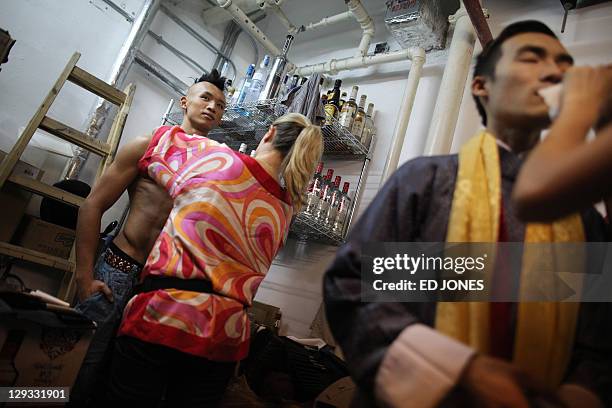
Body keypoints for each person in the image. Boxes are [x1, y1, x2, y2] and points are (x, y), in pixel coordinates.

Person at [323, 20, 612, 408]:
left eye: (565, 63)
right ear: (482, 86)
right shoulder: (428, 183)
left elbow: (596, 341)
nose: (557, 71)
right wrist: (462, 370)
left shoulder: (584, 221)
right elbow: (355, 287)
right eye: (532, 57)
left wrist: (578, 393)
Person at [101, 90, 323, 405]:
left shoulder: (218, 159)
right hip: (226, 336)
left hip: (167, 314)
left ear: (270, 133)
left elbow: (160, 143)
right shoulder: (286, 211)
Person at [70, 70, 225, 406]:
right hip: (117, 270)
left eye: (220, 105)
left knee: (125, 383)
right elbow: (92, 206)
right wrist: (84, 277)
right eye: (205, 97)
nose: (213, 106)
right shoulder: (150, 144)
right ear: (185, 102)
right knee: (76, 365)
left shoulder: (216, 168)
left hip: (160, 287)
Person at [512, 65, 612, 221]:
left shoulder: (585, 215)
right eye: (530, 60)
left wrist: (579, 102)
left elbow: (536, 191)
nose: (556, 74)